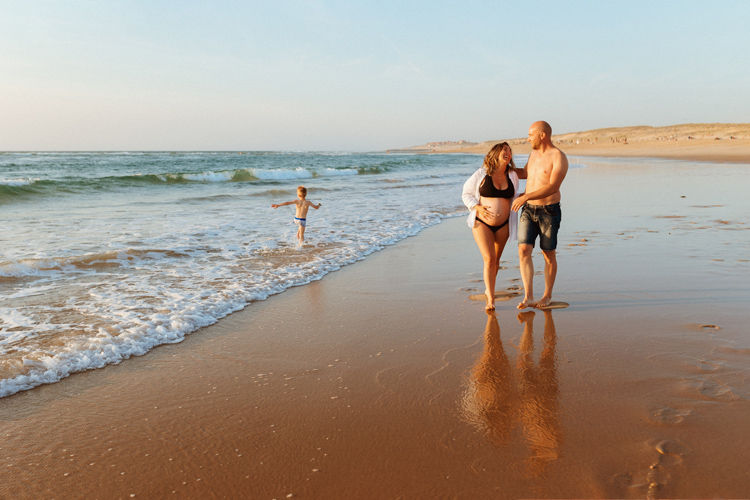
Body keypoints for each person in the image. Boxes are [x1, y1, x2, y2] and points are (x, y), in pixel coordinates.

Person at [511, 121, 569, 309]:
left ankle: (547, 295)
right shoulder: (533, 154)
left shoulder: (559, 157)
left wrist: (526, 195)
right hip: (528, 210)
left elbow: (553, 187)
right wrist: (503, 167)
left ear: (542, 135)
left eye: (530, 135)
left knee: (548, 254)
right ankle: (528, 296)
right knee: (523, 250)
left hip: (549, 211)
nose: (528, 139)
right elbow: (525, 174)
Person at [462, 142, 521, 310]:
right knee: (489, 259)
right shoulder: (482, 173)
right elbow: (466, 193)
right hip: (482, 222)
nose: (508, 152)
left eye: (510, 150)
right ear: (495, 153)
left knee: (495, 260)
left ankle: (490, 289)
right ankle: (491, 298)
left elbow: (516, 194)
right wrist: (476, 207)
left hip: (504, 224)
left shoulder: (512, 175)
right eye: (505, 150)